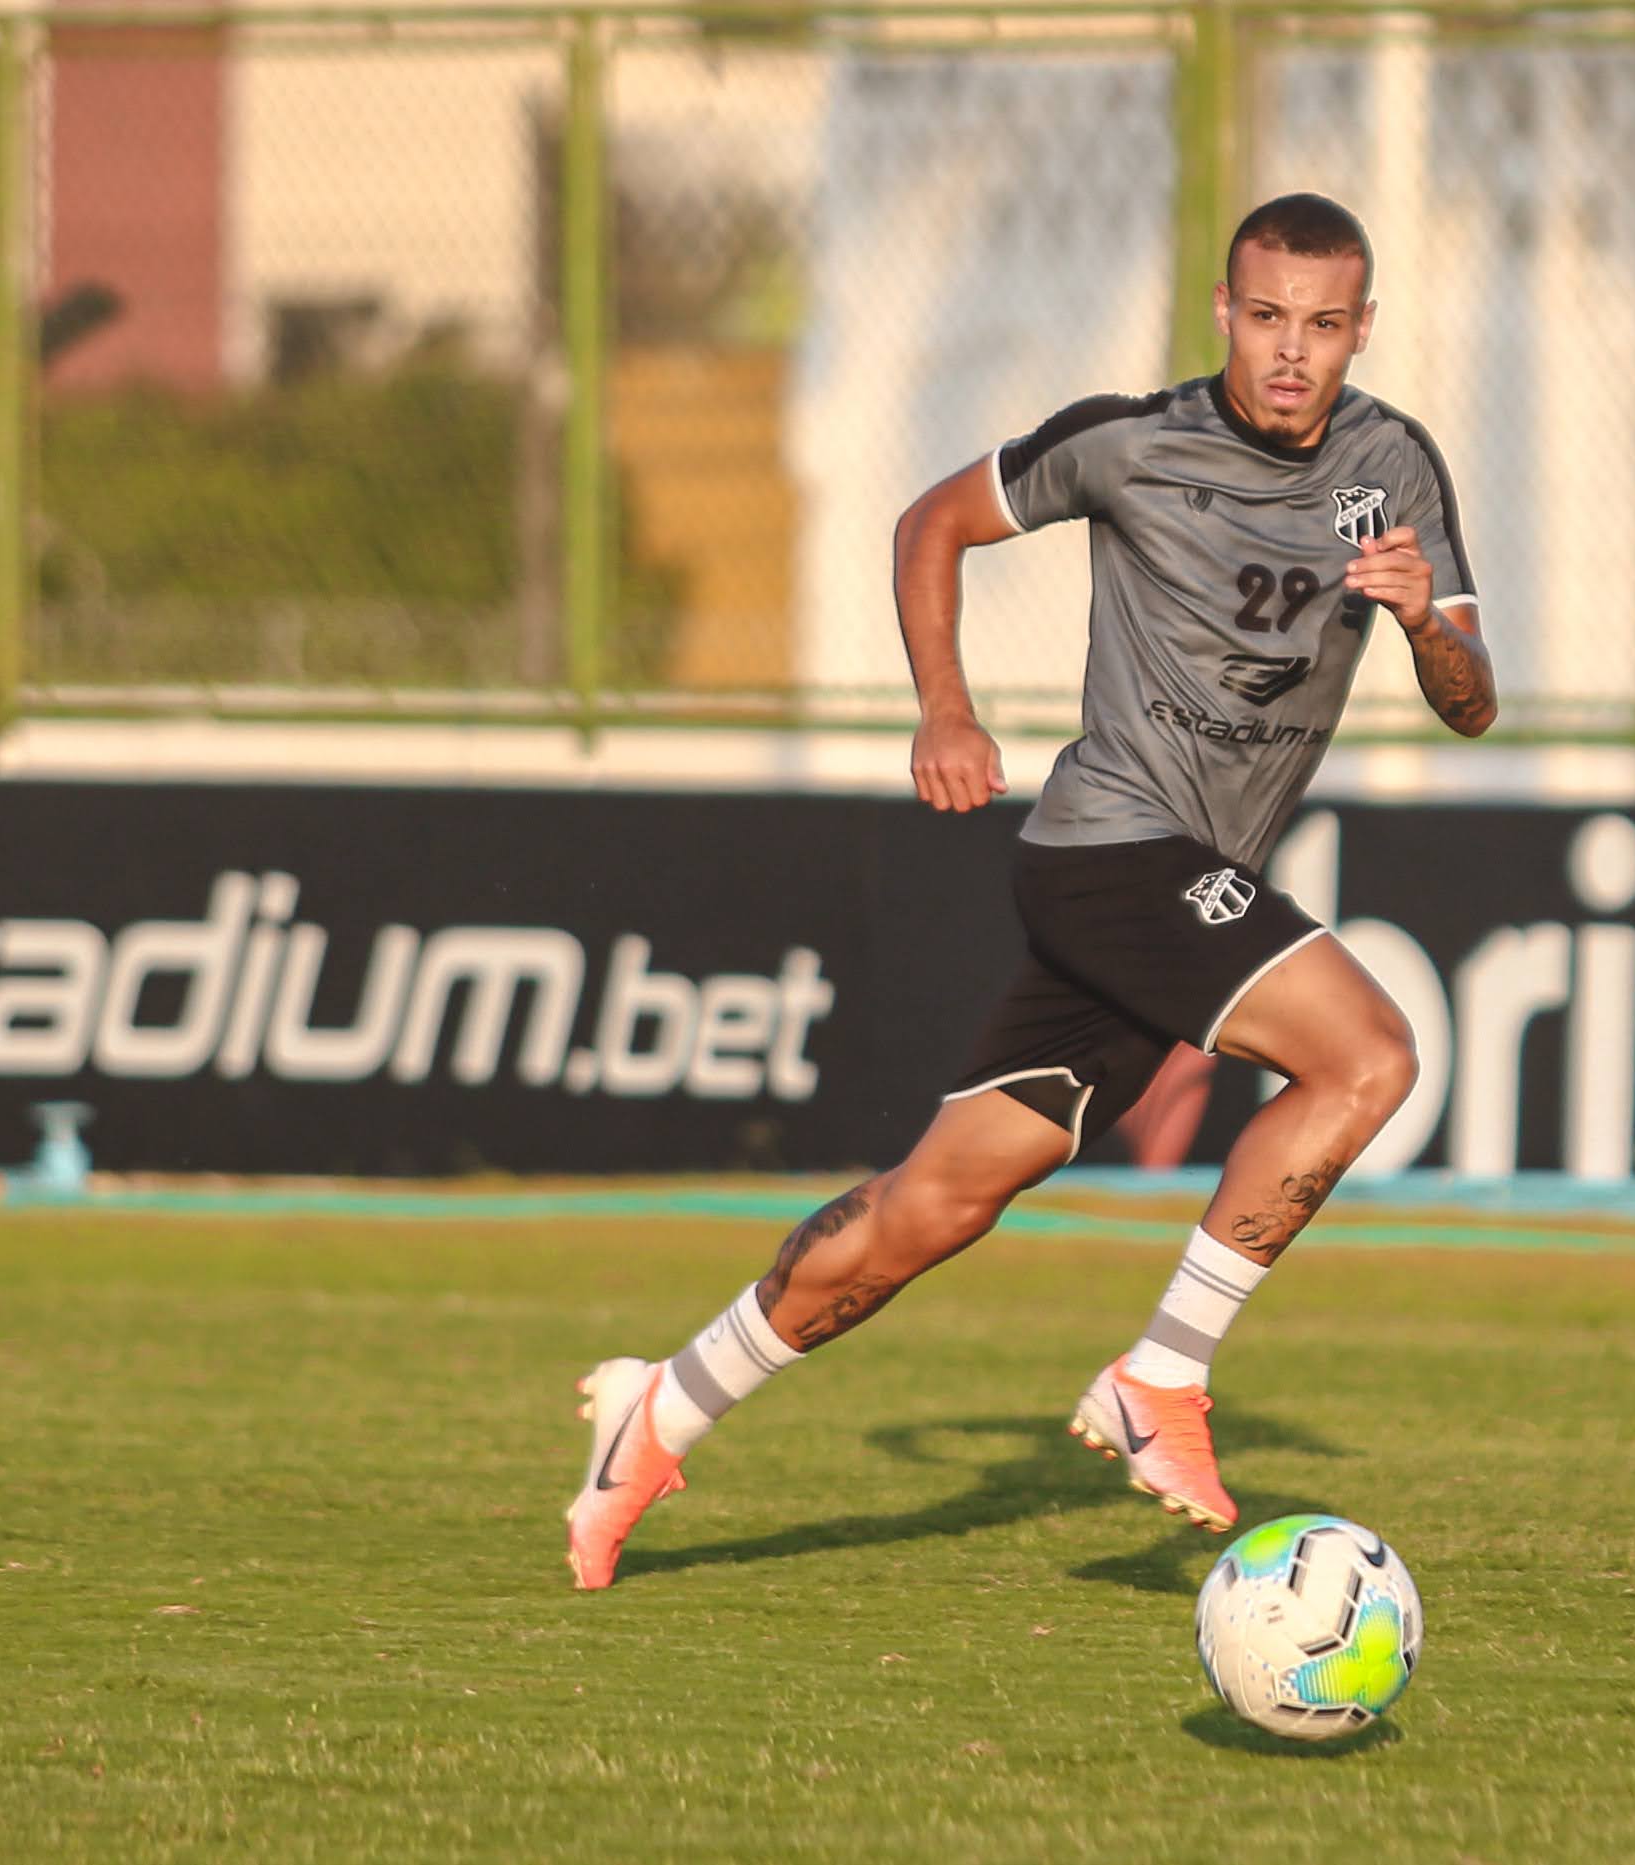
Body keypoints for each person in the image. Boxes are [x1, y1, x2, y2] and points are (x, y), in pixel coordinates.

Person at [565, 192, 1498, 1591]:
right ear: (1221, 314)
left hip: (1192, 885)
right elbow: (928, 521)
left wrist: (1425, 619)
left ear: (1361, 328)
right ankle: (1159, 1379)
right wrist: (943, 708)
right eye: (1263, 318)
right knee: (1367, 1055)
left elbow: (1471, 704)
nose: (1289, 352)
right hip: (1110, 853)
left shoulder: (1393, 463)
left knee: (927, 1210)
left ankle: (660, 1405)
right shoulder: (1127, 441)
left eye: (1320, 324)